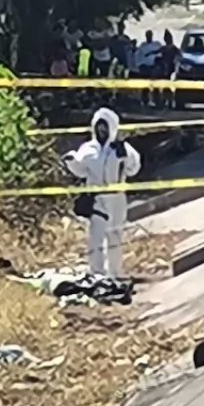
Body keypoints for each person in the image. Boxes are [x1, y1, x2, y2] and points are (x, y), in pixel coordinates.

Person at [63, 107, 142, 279]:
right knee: (96, 236)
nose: (102, 131)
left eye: (105, 127)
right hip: (96, 198)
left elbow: (133, 169)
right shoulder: (88, 149)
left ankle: (114, 274)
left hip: (116, 197)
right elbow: (81, 170)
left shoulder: (122, 148)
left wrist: (125, 156)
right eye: (99, 127)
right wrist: (71, 161)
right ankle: (96, 273)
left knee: (114, 235)